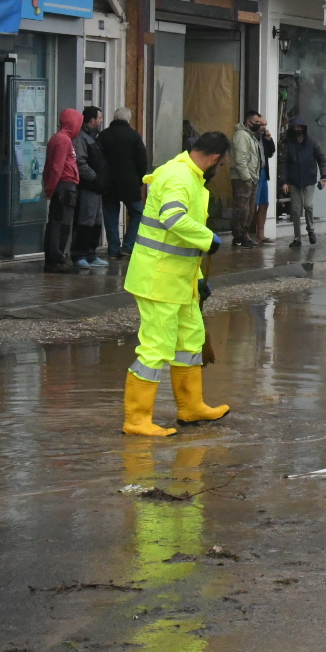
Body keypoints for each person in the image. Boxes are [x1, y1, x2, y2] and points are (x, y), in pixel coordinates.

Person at [121, 130, 232, 436]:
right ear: (214, 159)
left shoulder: (190, 177)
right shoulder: (179, 177)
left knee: (190, 341)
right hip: (158, 280)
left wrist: (198, 280)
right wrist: (208, 238)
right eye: (220, 165)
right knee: (156, 348)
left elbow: (177, 241)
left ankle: (191, 407)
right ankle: (137, 419)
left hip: (179, 279)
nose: (218, 169)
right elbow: (173, 219)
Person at [99, 108, 150, 259]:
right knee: (137, 214)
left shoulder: (103, 136)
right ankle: (127, 247)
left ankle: (113, 250)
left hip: (108, 183)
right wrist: (139, 178)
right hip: (130, 183)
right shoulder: (134, 136)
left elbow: (97, 159)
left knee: (110, 216)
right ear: (128, 119)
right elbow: (142, 160)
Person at [42, 109, 83, 273]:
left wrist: (50, 186)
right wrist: (51, 188)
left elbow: (52, 166)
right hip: (65, 186)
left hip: (63, 186)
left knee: (57, 222)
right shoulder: (63, 140)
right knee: (61, 224)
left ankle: (55, 258)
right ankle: (57, 259)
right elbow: (57, 167)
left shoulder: (59, 139)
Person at [279, 117, 326, 248]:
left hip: (309, 179)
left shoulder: (312, 143)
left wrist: (323, 177)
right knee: (295, 210)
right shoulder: (288, 145)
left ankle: (310, 230)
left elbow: (321, 159)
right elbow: (283, 164)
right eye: (294, 128)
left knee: (308, 205)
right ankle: (297, 238)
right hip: (294, 181)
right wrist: (283, 182)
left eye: (299, 127)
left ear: (304, 129)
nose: (297, 130)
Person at [73, 106, 109, 269]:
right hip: (88, 187)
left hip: (96, 188)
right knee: (85, 221)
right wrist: (94, 177)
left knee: (95, 222)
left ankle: (91, 254)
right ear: (92, 120)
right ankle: (80, 254)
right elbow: (80, 162)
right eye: (100, 118)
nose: (101, 120)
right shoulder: (82, 137)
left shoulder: (93, 137)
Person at [229, 110, 267, 248]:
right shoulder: (241, 135)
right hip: (243, 178)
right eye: (257, 122)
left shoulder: (251, 136)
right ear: (249, 122)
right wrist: (246, 178)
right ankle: (238, 236)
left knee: (250, 208)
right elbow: (241, 159)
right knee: (242, 208)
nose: (259, 125)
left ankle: (244, 235)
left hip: (252, 177)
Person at [253, 117, 276, 244]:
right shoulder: (250, 137)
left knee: (264, 204)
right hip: (253, 173)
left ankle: (260, 234)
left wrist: (269, 140)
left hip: (263, 172)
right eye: (261, 125)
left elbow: (271, 152)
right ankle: (245, 234)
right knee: (252, 205)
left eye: (265, 125)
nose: (263, 127)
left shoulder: (263, 138)